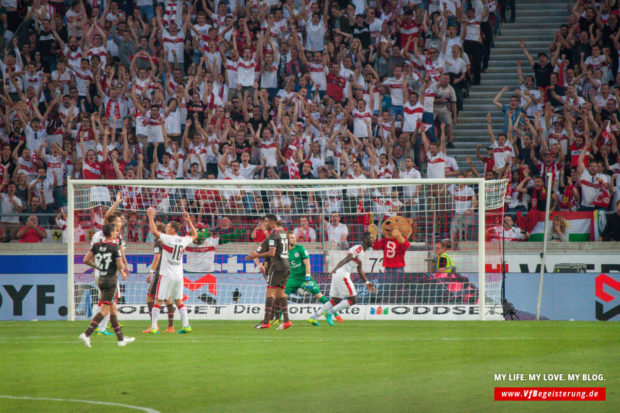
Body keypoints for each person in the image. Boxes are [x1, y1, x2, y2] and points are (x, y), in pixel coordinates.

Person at [79, 223, 133, 348]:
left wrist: (98, 266)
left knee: (113, 310)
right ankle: (86, 334)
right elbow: (119, 265)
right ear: (112, 233)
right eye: (115, 231)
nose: (116, 233)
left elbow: (86, 260)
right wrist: (123, 273)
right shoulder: (114, 247)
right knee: (105, 311)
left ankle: (120, 339)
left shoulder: (96, 245)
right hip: (111, 280)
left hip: (101, 278)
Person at [146, 208, 198, 334]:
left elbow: (153, 230)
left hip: (166, 274)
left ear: (173, 230)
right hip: (179, 275)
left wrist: (150, 216)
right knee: (179, 301)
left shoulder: (167, 239)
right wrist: (189, 221)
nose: (166, 229)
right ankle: (186, 325)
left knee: (158, 300)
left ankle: (153, 327)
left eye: (168, 227)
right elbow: (195, 235)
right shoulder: (183, 240)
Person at [307, 232, 376, 326]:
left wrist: (367, 282)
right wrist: (335, 268)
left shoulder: (362, 252)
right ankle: (330, 312)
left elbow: (359, 269)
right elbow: (347, 258)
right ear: (365, 240)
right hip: (342, 274)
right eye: (371, 238)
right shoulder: (358, 248)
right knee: (353, 299)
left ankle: (314, 317)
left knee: (335, 299)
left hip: (339, 274)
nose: (373, 240)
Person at [284, 231, 342, 326]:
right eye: (291, 238)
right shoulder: (285, 252)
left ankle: (334, 313)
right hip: (293, 278)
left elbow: (307, 263)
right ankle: (280, 319)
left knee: (319, 296)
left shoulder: (300, 249)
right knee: (282, 298)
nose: (294, 239)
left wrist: (307, 278)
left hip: (305, 278)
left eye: (294, 237)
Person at [245, 214, 291, 330]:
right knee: (281, 293)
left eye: (266, 222)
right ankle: (286, 321)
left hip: (277, 266)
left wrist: (256, 255)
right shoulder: (283, 233)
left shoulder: (273, 235)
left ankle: (266, 322)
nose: (264, 224)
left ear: (272, 222)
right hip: (286, 266)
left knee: (270, 292)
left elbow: (272, 253)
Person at [143, 222, 176, 334]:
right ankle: (170, 327)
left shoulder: (158, 242)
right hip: (171, 272)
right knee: (167, 299)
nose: (152, 232)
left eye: (154, 230)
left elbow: (157, 257)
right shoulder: (169, 241)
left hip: (160, 273)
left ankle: (154, 325)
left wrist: (151, 272)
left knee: (150, 298)